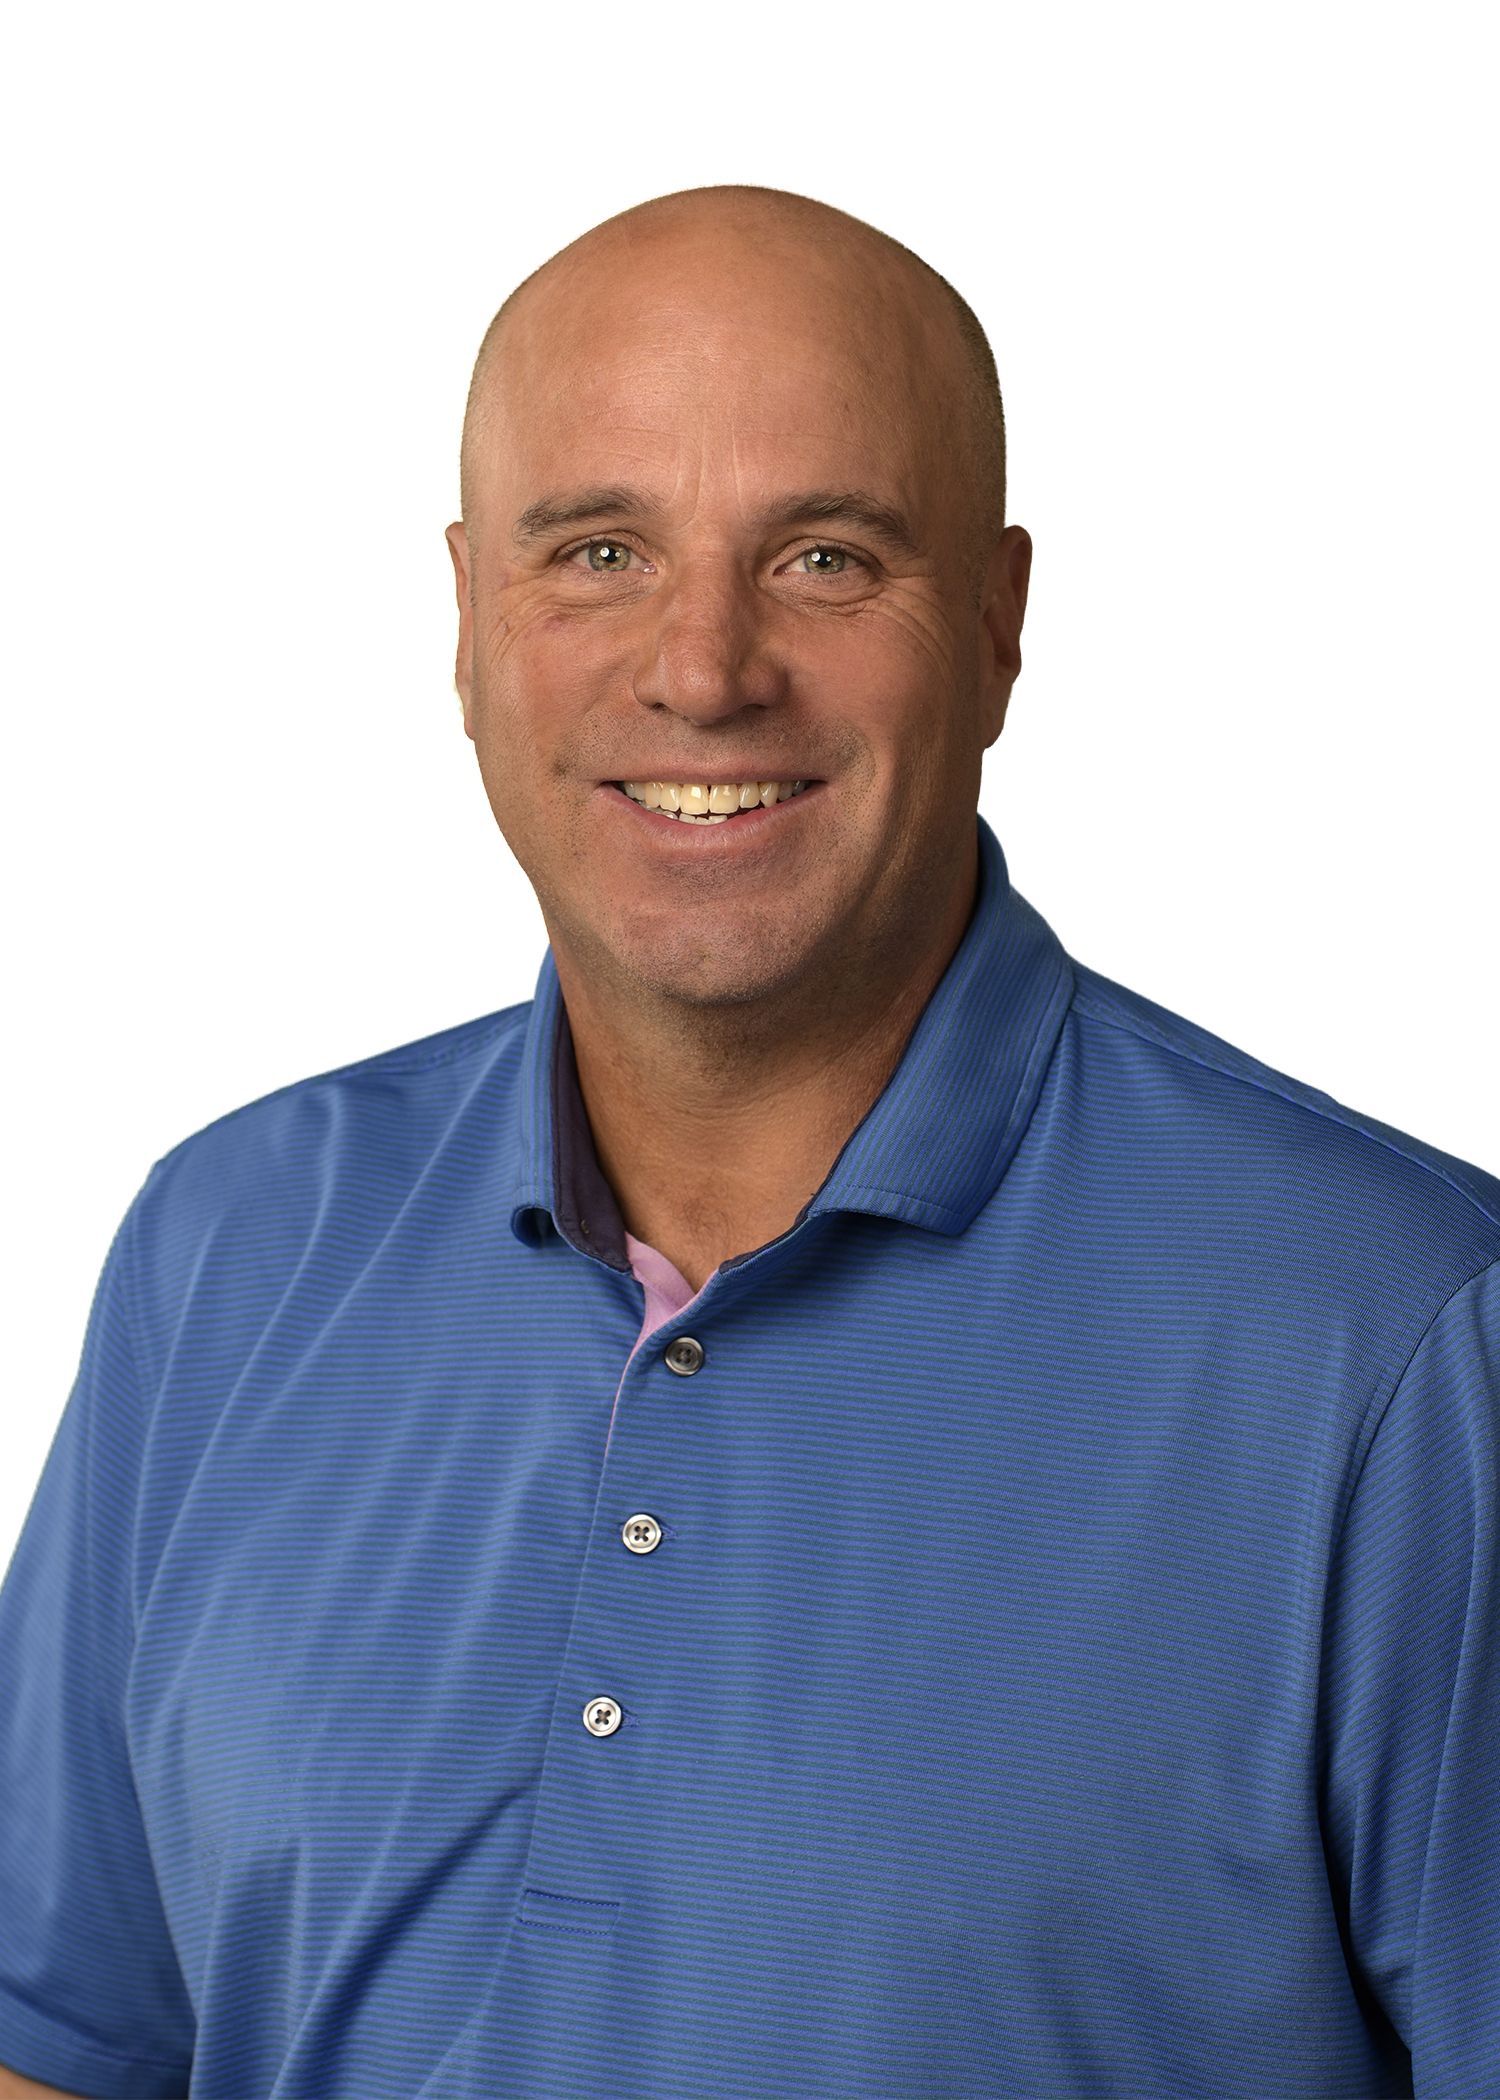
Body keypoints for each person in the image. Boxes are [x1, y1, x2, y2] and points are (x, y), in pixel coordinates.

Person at [0, 183, 1495, 2100]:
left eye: (824, 558)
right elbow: (60, 2047)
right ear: (468, 619)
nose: (703, 671)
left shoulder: (1398, 1342)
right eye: (601, 549)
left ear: (1001, 624)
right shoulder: (228, 1245)